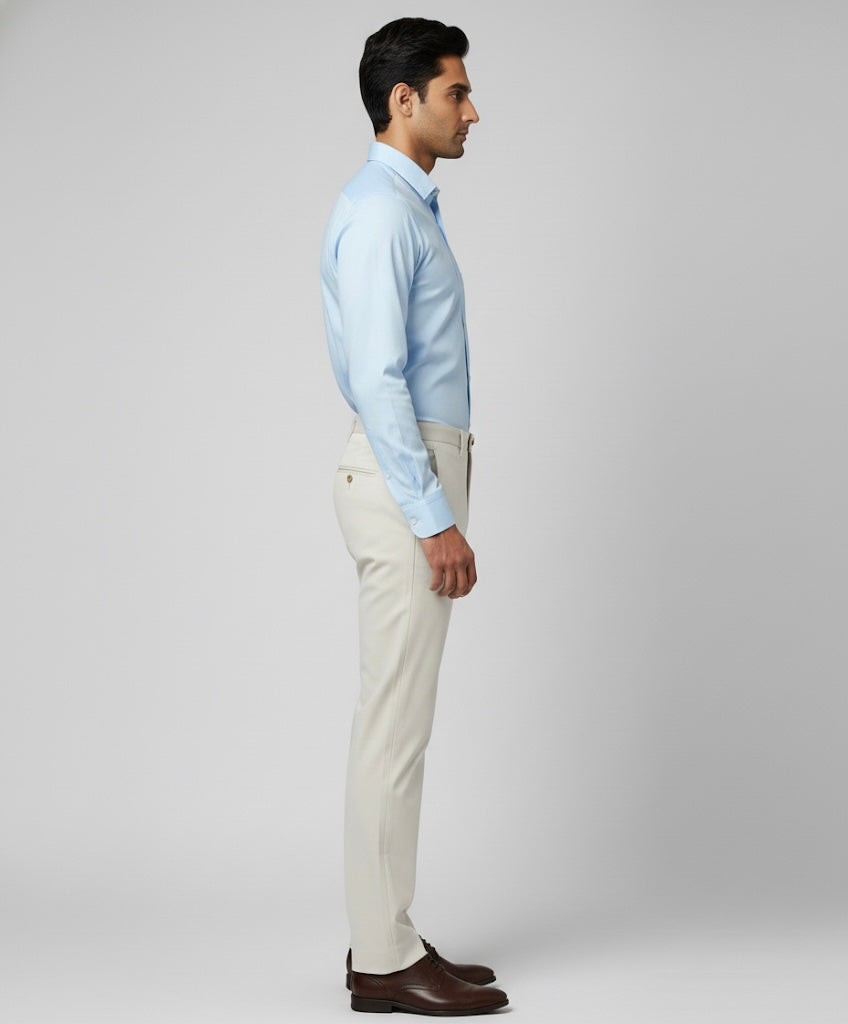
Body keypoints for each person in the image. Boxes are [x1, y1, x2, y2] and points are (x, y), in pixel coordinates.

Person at [320, 18, 508, 1015]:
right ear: (405, 100)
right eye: (455, 92)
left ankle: (384, 935)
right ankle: (384, 958)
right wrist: (433, 517)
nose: (471, 111)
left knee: (399, 727)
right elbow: (379, 380)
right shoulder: (381, 212)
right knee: (392, 731)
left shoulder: (402, 207)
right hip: (405, 482)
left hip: (418, 473)